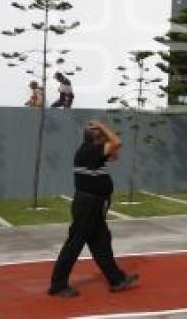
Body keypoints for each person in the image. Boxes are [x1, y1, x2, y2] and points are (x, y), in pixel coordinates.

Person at [48, 121, 138, 297]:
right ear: (95, 139)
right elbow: (117, 143)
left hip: (94, 205)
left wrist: (104, 135)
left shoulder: (94, 152)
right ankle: (58, 286)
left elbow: (114, 155)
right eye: (101, 136)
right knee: (74, 244)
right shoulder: (88, 151)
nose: (104, 137)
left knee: (102, 242)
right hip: (87, 205)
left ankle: (116, 280)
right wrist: (103, 126)